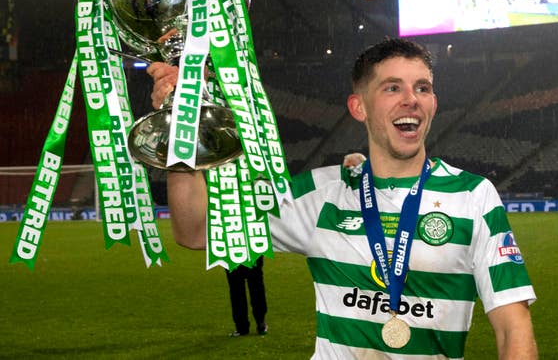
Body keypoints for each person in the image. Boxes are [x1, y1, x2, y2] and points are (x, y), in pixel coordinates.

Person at [147, 37, 537, 359]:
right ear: (359, 107)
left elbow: (512, 328)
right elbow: (195, 230)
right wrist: (182, 130)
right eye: (392, 88)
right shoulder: (320, 195)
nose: (411, 99)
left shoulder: (472, 196)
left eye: (423, 87)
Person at [225, 256, 268, 337]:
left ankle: (244, 327)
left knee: (238, 288)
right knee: (254, 285)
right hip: (248, 249)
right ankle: (259, 323)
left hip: (233, 250)